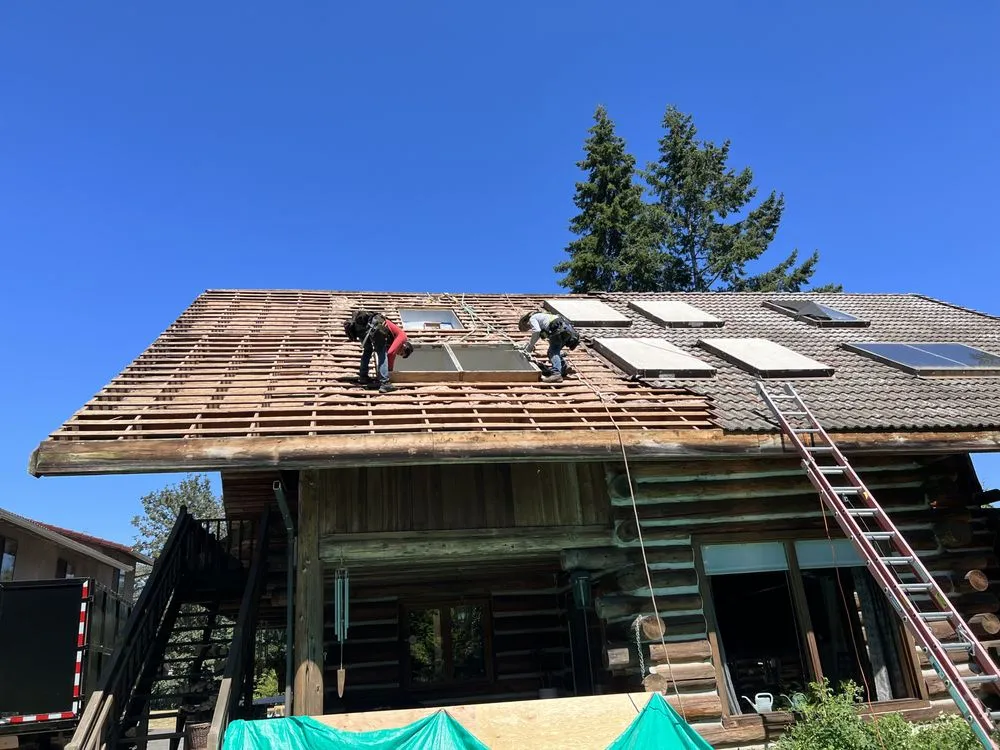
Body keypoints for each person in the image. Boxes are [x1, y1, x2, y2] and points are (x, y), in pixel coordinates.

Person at [343, 311, 413, 393]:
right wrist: (390, 371)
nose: (398, 353)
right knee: (382, 352)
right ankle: (385, 383)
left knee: (368, 350)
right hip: (375, 325)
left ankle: (363, 377)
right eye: (401, 353)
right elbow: (391, 353)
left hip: (361, 325)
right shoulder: (403, 336)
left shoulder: (391, 340)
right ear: (404, 346)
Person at [518, 310, 579, 383]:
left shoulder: (532, 319)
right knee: (555, 351)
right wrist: (530, 344)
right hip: (565, 330)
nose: (529, 327)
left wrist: (530, 346)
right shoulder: (543, 316)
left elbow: (536, 331)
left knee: (552, 352)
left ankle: (556, 374)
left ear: (525, 321)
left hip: (558, 330)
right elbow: (538, 334)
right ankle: (564, 368)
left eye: (526, 326)